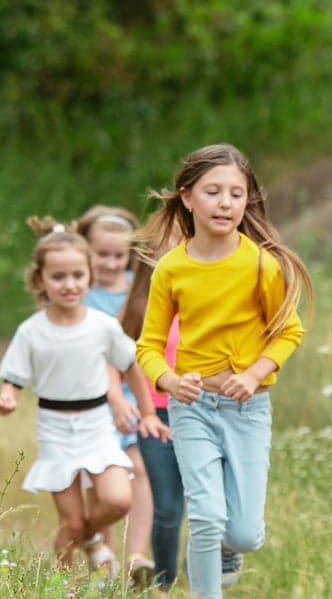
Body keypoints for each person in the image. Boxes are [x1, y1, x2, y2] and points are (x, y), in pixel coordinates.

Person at [135, 143, 312, 598]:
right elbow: (149, 346)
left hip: (247, 408)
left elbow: (288, 332)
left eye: (236, 193)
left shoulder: (260, 264)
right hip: (191, 408)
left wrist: (254, 374)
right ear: (187, 197)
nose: (226, 203)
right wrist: (170, 380)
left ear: (247, 201)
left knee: (245, 533)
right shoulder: (170, 269)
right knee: (207, 517)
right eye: (213, 191)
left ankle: (227, 549)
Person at [0, 217, 171, 572]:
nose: (69, 285)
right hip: (55, 428)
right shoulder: (31, 332)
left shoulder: (103, 326)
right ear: (40, 280)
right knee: (70, 523)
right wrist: (8, 395)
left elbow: (131, 367)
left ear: (89, 277)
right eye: (58, 277)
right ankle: (62, 583)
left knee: (119, 499)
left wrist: (149, 413)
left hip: (97, 425)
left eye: (77, 276)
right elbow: (13, 374)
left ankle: (91, 538)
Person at [74, 204, 157, 586]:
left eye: (117, 255)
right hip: (88, 400)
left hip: (128, 396)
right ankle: (102, 559)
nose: (109, 263)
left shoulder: (137, 291)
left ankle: (136, 555)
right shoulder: (77, 291)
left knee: (139, 470)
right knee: (99, 481)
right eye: (100, 254)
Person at [118, 214, 186, 596]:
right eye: (162, 248)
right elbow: (116, 360)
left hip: (198, 409)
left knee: (209, 504)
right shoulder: (138, 305)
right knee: (167, 505)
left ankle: (207, 567)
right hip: (154, 414)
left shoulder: (202, 299)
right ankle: (163, 582)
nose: (171, 254)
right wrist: (120, 402)